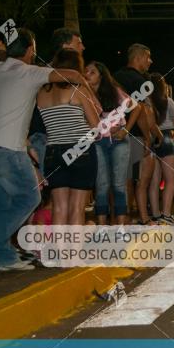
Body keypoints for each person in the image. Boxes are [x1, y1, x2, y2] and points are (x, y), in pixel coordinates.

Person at [0, 29, 87, 271]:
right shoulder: (29, 72)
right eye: (33, 48)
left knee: (0, 201)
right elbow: (71, 74)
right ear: (29, 50)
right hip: (8, 149)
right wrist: (86, 86)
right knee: (30, 197)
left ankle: (6, 258)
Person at [37, 49, 101, 226]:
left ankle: (59, 253)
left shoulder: (41, 92)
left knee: (58, 207)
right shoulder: (78, 90)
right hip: (81, 150)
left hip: (52, 152)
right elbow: (97, 128)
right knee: (77, 207)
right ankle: (73, 254)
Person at [86, 61, 131, 225]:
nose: (87, 74)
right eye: (86, 71)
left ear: (101, 76)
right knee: (102, 184)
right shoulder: (83, 94)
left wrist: (125, 129)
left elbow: (137, 107)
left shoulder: (114, 91)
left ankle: (120, 228)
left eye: (92, 72)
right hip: (98, 142)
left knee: (119, 184)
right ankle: (102, 227)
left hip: (119, 141)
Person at [114, 44, 155, 222]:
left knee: (121, 180)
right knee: (136, 180)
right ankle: (135, 218)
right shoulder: (141, 81)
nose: (150, 61)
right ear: (137, 58)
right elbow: (145, 111)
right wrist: (148, 136)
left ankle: (121, 218)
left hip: (115, 132)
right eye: (148, 57)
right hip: (136, 133)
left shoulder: (114, 77)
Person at [147, 73, 174, 225]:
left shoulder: (147, 101)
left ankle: (155, 214)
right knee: (170, 180)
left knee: (154, 180)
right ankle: (166, 214)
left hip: (151, 139)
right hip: (166, 138)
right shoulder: (168, 101)